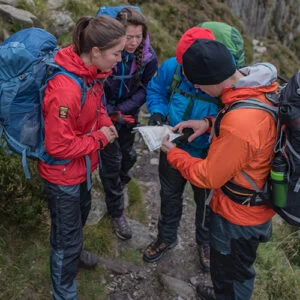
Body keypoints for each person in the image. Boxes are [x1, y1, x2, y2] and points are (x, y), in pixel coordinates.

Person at [161, 39, 278, 299]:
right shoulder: (257, 88)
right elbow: (253, 133)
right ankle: (222, 291)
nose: (198, 88)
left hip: (238, 217)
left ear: (211, 80)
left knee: (234, 275)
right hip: (252, 206)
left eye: (198, 84)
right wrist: (208, 122)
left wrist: (175, 154)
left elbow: (207, 176)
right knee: (231, 272)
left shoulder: (240, 124)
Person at [38, 16, 126, 299]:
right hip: (62, 175)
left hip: (82, 168)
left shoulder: (90, 74)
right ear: (96, 51)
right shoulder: (65, 89)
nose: (120, 59)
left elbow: (94, 105)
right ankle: (63, 291)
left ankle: (74, 254)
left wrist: (103, 120)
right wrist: (100, 138)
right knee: (65, 236)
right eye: (116, 53)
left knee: (79, 218)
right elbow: (58, 147)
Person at [143, 27, 219, 272]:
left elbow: (230, 118)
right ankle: (166, 237)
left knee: (206, 203)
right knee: (170, 195)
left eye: (189, 66)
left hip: (207, 154)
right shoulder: (171, 68)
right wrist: (157, 112)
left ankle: (205, 243)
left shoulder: (221, 80)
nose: (184, 71)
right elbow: (156, 91)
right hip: (171, 146)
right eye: (182, 65)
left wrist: (206, 127)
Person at [99, 7, 158, 240]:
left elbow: (146, 89)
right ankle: (116, 211)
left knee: (129, 155)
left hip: (128, 114)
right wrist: (110, 114)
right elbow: (96, 87)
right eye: (129, 36)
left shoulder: (148, 57)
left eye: (138, 37)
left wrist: (122, 112)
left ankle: (119, 185)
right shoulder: (106, 52)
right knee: (112, 162)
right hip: (104, 116)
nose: (133, 42)